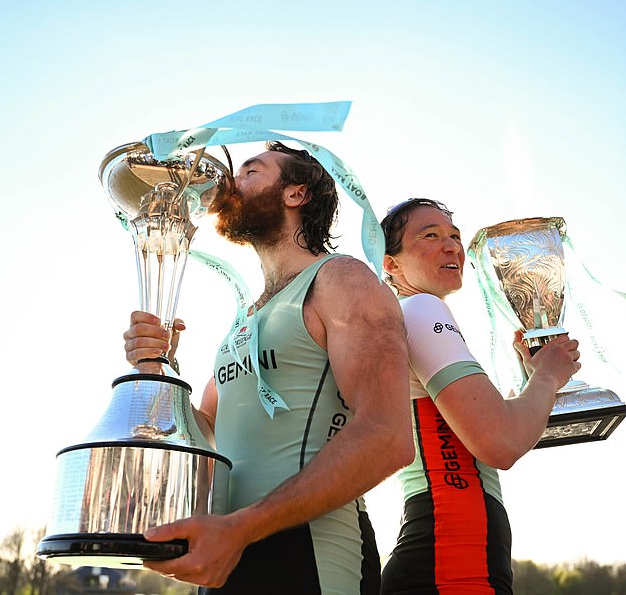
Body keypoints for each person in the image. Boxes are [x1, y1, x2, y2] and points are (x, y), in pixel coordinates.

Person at [123, 142, 415, 593]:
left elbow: (388, 436)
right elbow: (206, 432)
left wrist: (243, 528)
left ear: (294, 194)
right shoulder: (245, 318)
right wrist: (159, 366)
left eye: (250, 172)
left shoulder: (342, 279)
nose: (228, 184)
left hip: (311, 556)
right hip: (222, 551)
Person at [378, 198, 582, 594]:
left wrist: (534, 381)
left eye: (454, 236)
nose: (452, 245)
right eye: (430, 235)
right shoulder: (420, 310)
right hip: (452, 560)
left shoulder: (408, 318)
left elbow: (499, 433)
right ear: (391, 264)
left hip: (449, 555)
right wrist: (547, 377)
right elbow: (500, 444)